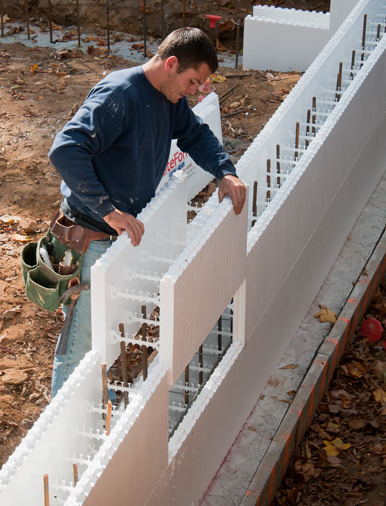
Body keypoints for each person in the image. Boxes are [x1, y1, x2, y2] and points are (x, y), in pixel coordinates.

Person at [47, 27, 247, 396]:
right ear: (171, 64)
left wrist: (225, 170)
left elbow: (196, 135)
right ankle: (68, 440)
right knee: (82, 344)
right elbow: (65, 150)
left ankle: (97, 410)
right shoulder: (120, 95)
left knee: (104, 334)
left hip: (115, 237)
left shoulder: (168, 99)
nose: (196, 90)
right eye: (193, 81)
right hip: (90, 236)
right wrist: (108, 210)